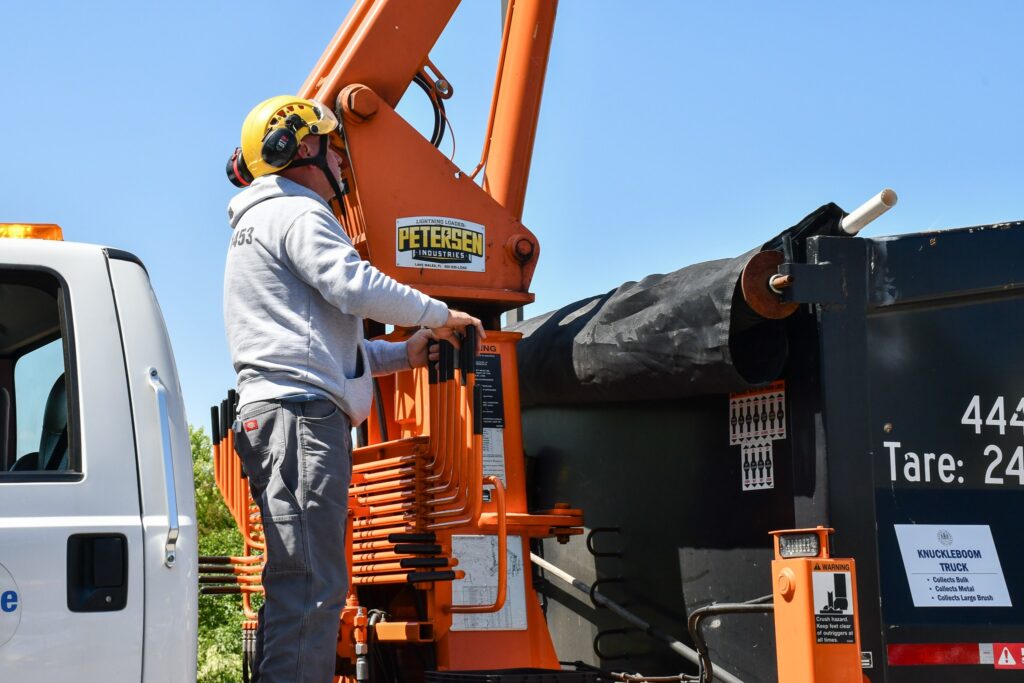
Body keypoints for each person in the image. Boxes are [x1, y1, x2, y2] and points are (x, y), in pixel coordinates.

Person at [222, 95, 484, 683]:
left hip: (278, 414)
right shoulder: (299, 212)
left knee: (297, 581)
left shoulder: (260, 223)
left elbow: (317, 346)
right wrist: (440, 315)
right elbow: (354, 285)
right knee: (313, 584)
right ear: (301, 147)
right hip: (300, 419)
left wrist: (403, 352)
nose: (342, 164)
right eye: (334, 147)